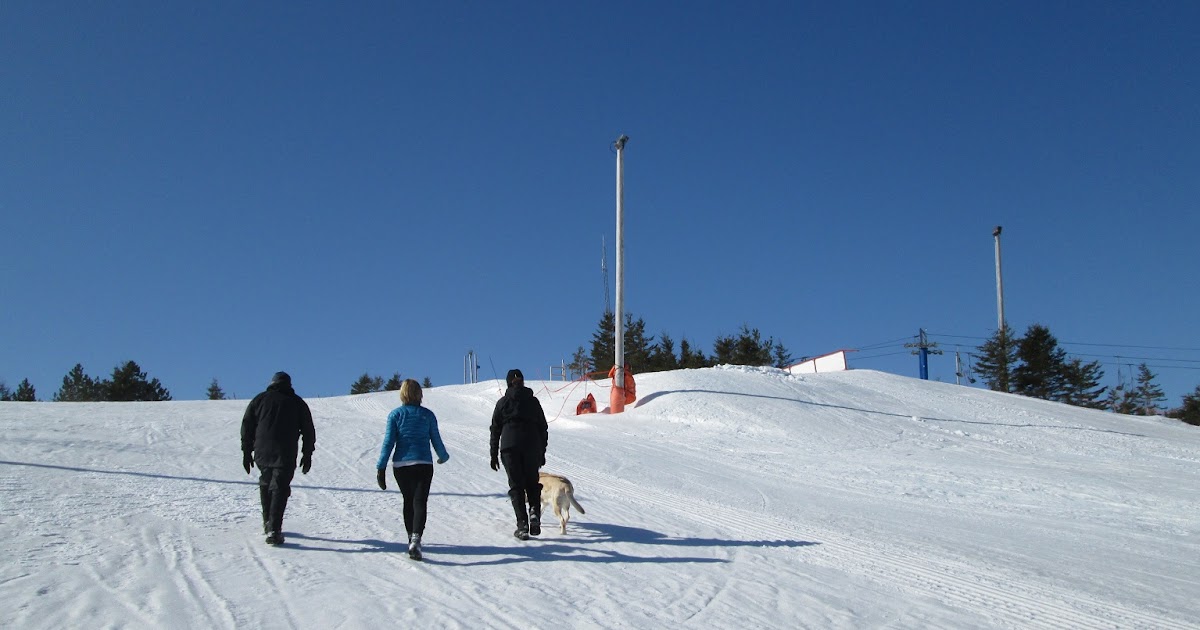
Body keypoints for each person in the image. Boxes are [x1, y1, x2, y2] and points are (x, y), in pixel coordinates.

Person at [376, 378, 449, 560]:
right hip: (423, 463)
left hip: (401, 465)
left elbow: (388, 443)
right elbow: (435, 439)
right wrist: (443, 456)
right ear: (419, 394)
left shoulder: (395, 415)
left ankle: (410, 537)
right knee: (420, 501)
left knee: (408, 501)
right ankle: (416, 538)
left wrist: (381, 467)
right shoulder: (427, 415)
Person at [240, 371, 316, 546]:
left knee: (266, 482)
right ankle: (274, 529)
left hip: (262, 452)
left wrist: (246, 451)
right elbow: (308, 430)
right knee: (280, 487)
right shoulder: (297, 402)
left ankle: (268, 523)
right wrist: (307, 453)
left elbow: (247, 426)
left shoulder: (259, 400)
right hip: (285, 452)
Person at [489, 368, 548, 540]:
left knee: (516, 486)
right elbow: (543, 427)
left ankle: (522, 525)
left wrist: (493, 454)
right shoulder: (533, 402)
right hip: (531, 445)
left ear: (508, 383)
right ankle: (535, 513)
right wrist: (541, 451)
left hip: (509, 446)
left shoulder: (502, 402)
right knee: (532, 483)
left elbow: (495, 430)